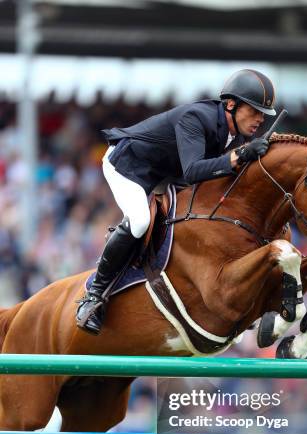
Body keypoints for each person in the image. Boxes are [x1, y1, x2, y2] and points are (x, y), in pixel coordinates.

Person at [76, 69, 276, 335]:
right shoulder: (197, 117)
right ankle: (94, 296)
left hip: (166, 172)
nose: (260, 119)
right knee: (139, 221)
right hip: (128, 165)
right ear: (231, 104)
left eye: (263, 115)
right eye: (255, 111)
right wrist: (238, 156)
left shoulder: (236, 133)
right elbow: (194, 172)